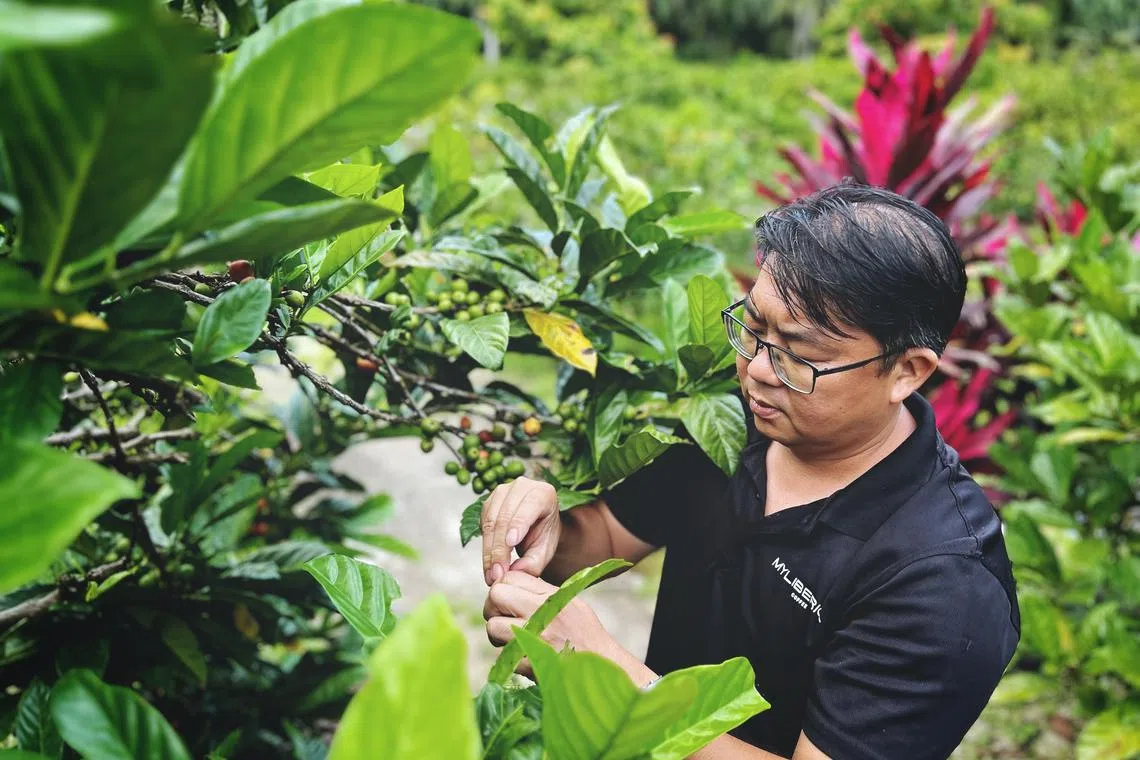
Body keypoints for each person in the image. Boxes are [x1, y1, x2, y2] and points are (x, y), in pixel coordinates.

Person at [479, 183, 1021, 760]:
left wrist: (613, 684)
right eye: (755, 328)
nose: (758, 371)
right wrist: (546, 530)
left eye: (797, 354)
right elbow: (611, 534)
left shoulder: (942, 584)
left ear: (906, 372)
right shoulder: (734, 422)